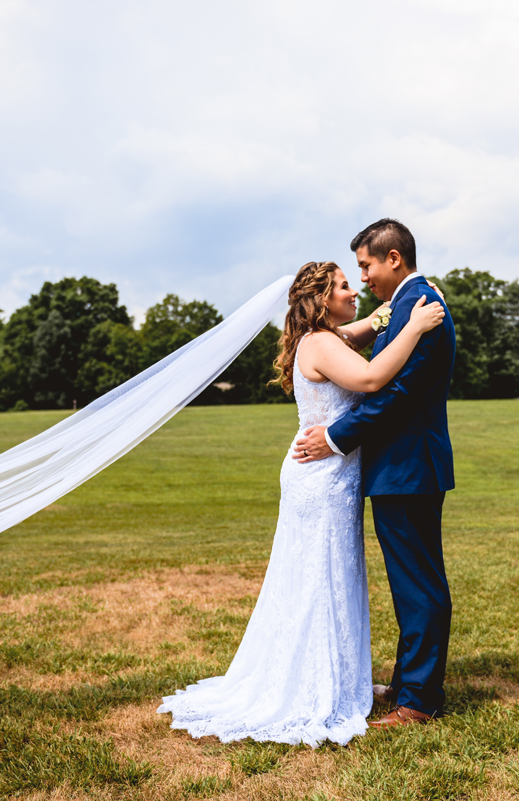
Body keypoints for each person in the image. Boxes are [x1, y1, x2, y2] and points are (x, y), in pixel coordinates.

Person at [157, 259, 446, 747]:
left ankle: (337, 678)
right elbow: (374, 378)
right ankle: (312, 687)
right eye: (342, 286)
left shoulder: (325, 338)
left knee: (332, 576)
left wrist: (386, 315)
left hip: (330, 477)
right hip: (322, 478)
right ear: (320, 300)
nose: (353, 291)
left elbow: (357, 330)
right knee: (320, 577)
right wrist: (413, 324)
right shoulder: (321, 344)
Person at [293, 219, 456, 729]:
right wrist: (389, 318)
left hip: (407, 468)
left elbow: (393, 392)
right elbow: (360, 347)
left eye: (364, 266)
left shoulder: (420, 305)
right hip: (397, 468)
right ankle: (410, 683)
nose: (362, 278)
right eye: (351, 274)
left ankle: (419, 700)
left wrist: (337, 436)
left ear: (393, 259)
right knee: (410, 583)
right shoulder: (408, 305)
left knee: (419, 586)